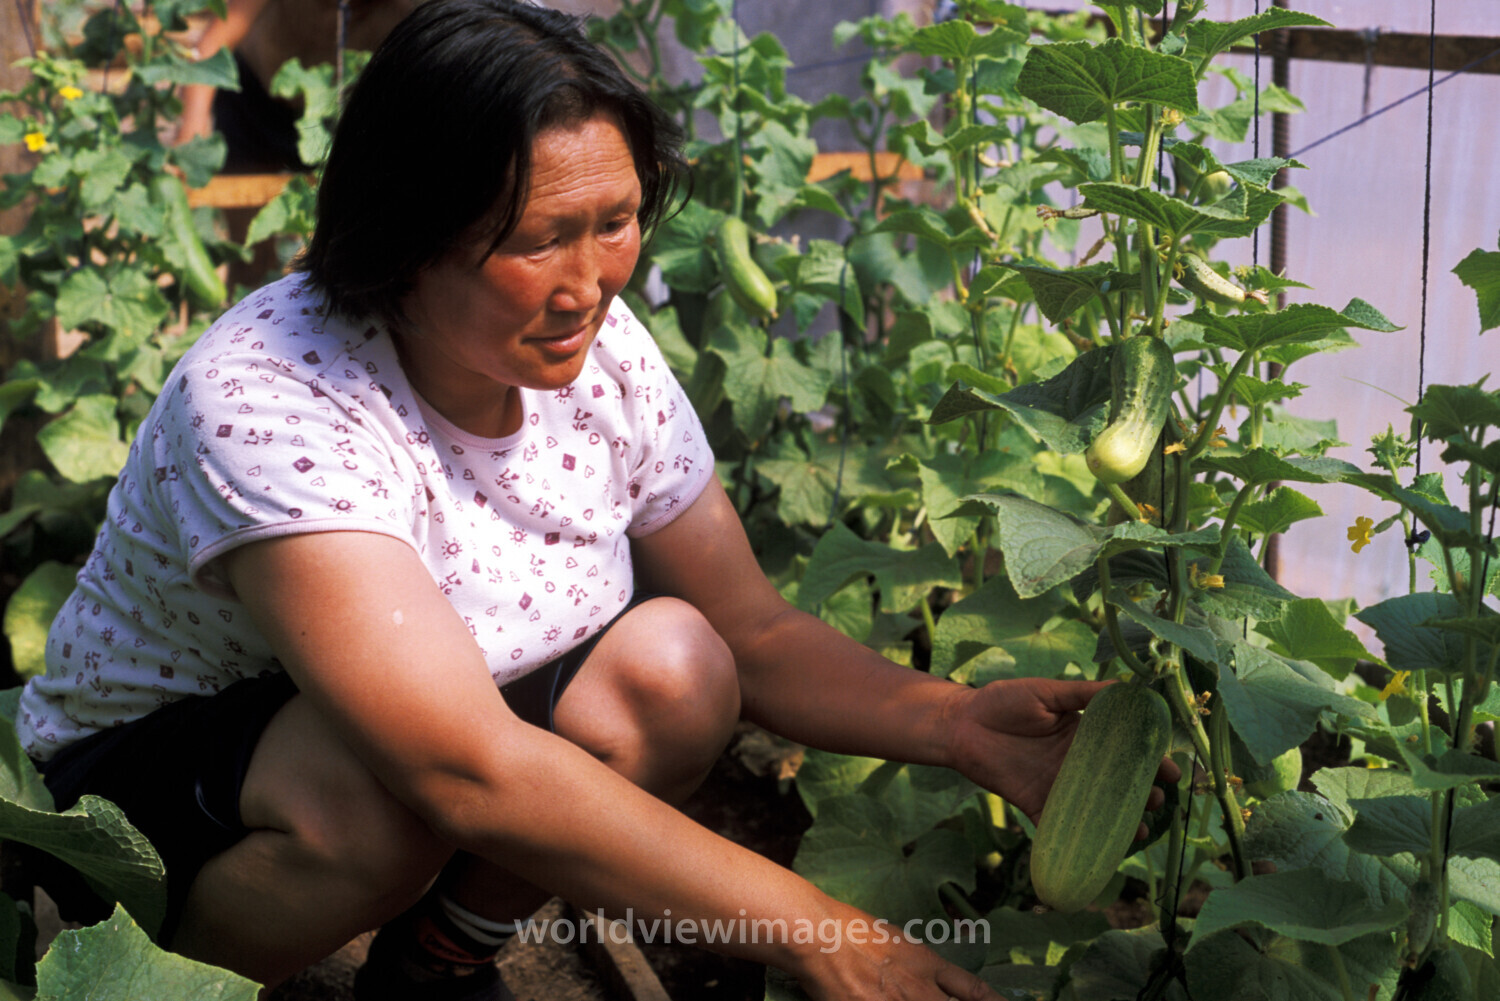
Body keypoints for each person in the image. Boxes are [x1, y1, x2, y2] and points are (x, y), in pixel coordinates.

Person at [16, 3, 1176, 1000]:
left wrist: (958, 723)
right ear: (405, 237)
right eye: (536, 240)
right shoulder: (274, 399)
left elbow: (756, 631)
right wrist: (829, 935)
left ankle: (436, 959)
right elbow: (464, 767)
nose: (589, 284)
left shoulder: (597, 348)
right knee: (378, 803)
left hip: (402, 725)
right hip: (145, 788)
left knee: (680, 662)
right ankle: (185, 983)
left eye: (614, 222)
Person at [174, 0, 421, 173]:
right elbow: (212, 47)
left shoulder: (413, 8)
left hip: (341, 120)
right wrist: (192, 129)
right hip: (253, 100)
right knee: (248, 219)